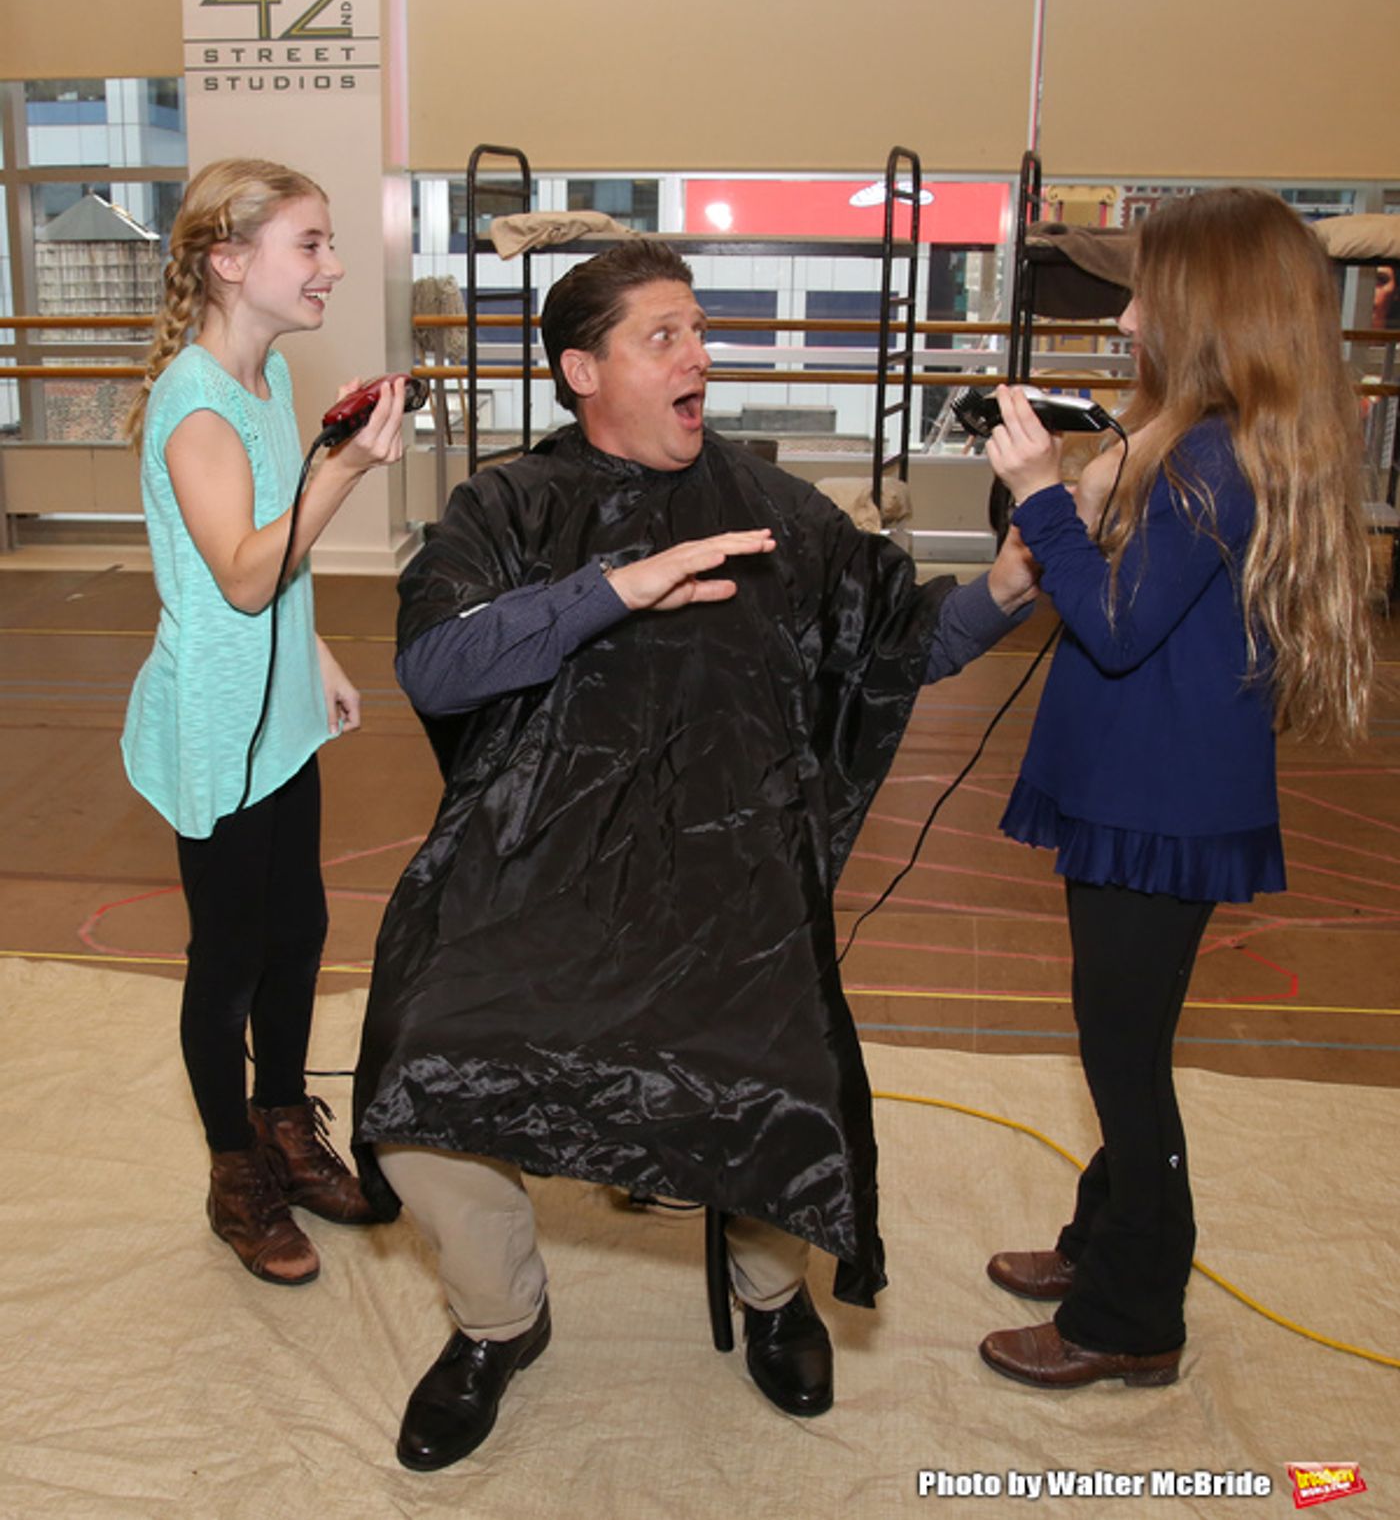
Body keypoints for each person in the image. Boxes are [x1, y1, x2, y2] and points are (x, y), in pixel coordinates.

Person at [352, 237, 1039, 1470]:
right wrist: (620, 585)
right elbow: (436, 660)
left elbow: (899, 643)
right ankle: (499, 1317)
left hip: (730, 886)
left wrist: (1002, 580)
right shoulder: (505, 506)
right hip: (535, 876)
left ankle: (773, 1293)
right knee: (415, 1074)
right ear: (581, 369)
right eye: (662, 335)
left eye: (697, 330)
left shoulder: (772, 509)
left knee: (778, 1078)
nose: (698, 357)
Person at [977, 187, 1373, 1389]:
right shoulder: (1196, 441)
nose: (1130, 307)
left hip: (1156, 804)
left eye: (1148, 290)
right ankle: (1100, 1241)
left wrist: (1043, 489)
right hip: (1139, 785)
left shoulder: (1210, 457)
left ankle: (1129, 1313)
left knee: (1124, 1064)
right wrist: (1061, 494)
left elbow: (1109, 625)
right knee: (1123, 1038)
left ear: (1202, 312)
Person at [122, 158, 407, 1286]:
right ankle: (234, 1168)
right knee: (228, 959)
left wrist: (320, 651)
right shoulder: (194, 404)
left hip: (279, 711)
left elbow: (267, 574)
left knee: (299, 932)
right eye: (311, 245)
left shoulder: (265, 382)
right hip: (217, 725)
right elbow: (240, 576)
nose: (331, 266)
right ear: (228, 262)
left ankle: (286, 1122)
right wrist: (344, 467)